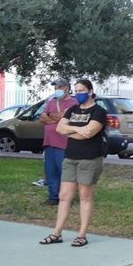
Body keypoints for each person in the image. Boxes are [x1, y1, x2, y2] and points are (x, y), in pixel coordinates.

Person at [39, 79, 107, 248]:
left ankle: (82, 235)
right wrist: (77, 129)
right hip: (70, 157)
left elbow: (89, 132)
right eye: (76, 91)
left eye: (81, 90)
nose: (78, 94)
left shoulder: (98, 111)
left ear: (90, 91)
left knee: (85, 197)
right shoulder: (72, 109)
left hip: (89, 158)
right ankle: (57, 233)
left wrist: (72, 131)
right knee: (64, 196)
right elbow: (60, 129)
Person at [39, 78, 75, 206]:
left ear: (67, 88)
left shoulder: (73, 102)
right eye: (55, 87)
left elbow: (64, 117)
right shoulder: (52, 101)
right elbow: (42, 118)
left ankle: (66, 197)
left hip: (63, 142)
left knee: (64, 171)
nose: (56, 89)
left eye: (59, 87)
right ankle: (53, 196)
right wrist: (55, 118)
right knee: (51, 170)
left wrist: (51, 115)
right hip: (49, 141)